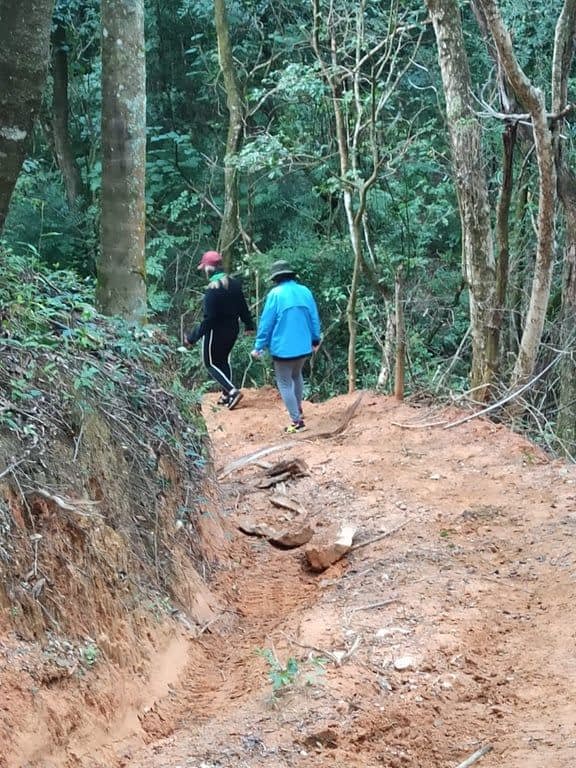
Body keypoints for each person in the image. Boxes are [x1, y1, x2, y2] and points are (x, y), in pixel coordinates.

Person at [251, 260, 322, 432]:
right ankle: (298, 409)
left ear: (276, 278)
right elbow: (314, 316)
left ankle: (296, 422)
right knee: (296, 376)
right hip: (304, 347)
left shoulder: (275, 294)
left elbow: (266, 323)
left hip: (283, 348)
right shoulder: (305, 291)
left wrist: (259, 346)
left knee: (284, 382)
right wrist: (315, 339)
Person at [186, 250, 254, 410]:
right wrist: (249, 325)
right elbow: (243, 307)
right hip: (233, 329)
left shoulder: (212, 290)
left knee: (210, 363)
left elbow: (209, 319)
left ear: (209, 268)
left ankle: (232, 390)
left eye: (204, 268)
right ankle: (225, 395)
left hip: (215, 332)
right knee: (223, 360)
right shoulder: (234, 283)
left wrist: (192, 338)